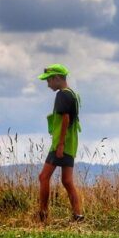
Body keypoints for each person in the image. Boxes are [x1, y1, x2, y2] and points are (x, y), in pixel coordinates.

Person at [37, 64, 84, 223]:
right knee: (67, 180)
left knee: (43, 177)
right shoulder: (73, 94)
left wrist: (60, 144)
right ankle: (78, 214)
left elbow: (65, 119)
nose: (48, 84)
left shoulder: (62, 95)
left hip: (61, 143)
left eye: (49, 80)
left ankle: (43, 215)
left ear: (57, 78)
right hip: (71, 142)